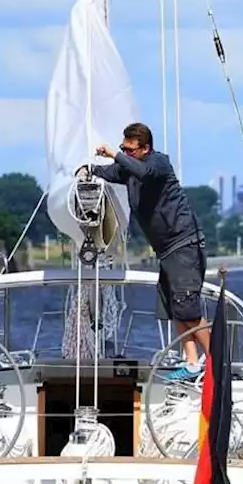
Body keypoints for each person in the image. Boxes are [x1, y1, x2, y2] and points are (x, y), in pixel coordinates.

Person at [89, 122, 208, 379]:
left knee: (189, 308)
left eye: (129, 150)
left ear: (145, 149)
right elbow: (113, 173)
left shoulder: (158, 164)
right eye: (123, 148)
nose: (125, 154)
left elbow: (142, 171)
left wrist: (114, 154)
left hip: (183, 244)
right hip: (166, 250)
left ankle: (216, 365)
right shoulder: (130, 168)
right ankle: (191, 364)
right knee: (176, 307)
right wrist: (89, 169)